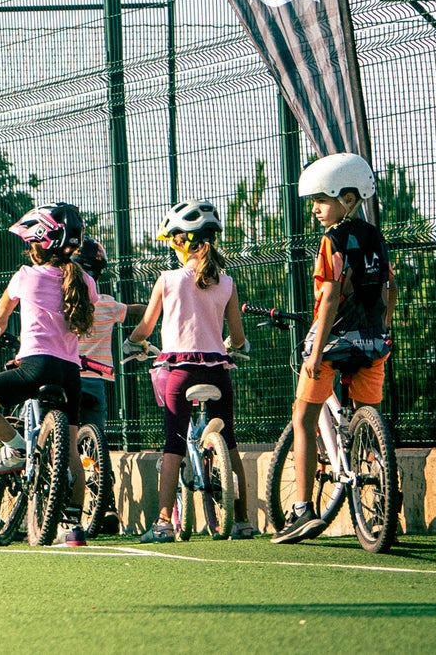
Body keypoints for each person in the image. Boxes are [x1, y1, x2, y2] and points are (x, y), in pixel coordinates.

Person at [0, 202, 99, 547]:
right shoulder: (84, 279)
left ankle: (18, 449)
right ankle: (73, 527)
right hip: (70, 371)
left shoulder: (26, 275)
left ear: (38, 244)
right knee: (69, 449)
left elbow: (3, 308)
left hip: (36, 365)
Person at [274, 154, 394, 545]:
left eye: (321, 200)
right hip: (373, 341)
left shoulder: (332, 241)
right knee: (369, 419)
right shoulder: (376, 237)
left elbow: (328, 298)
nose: (315, 209)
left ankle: (303, 510)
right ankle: (385, 502)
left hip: (334, 341)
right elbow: (390, 288)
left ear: (348, 198)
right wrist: (382, 328)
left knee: (303, 419)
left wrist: (314, 352)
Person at [130, 199, 249, 543]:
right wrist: (235, 345)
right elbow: (238, 337)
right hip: (218, 372)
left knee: (174, 445)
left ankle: (163, 523)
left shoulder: (168, 280)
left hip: (180, 372)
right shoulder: (226, 283)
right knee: (229, 442)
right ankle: (242, 521)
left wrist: (132, 343)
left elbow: (145, 328)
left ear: (182, 242)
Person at [72, 236, 128, 536]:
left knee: (60, 441)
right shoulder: (105, 303)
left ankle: (60, 500)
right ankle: (106, 506)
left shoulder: (62, 302)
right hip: (96, 382)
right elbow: (134, 311)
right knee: (97, 443)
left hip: (66, 377)